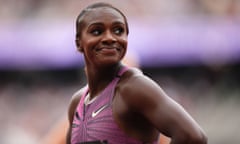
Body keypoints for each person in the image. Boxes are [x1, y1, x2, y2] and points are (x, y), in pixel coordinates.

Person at [67, 2, 207, 144]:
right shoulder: (77, 103)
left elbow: (192, 137)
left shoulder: (133, 87)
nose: (110, 38)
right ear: (79, 42)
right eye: (97, 31)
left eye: (118, 31)